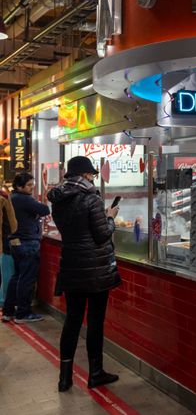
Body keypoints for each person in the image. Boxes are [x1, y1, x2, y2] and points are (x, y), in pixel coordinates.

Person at [48, 156, 121, 392]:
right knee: (95, 323)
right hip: (95, 270)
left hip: (71, 266)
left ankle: (64, 377)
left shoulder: (58, 199)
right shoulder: (91, 198)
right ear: (85, 174)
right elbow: (102, 235)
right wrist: (110, 218)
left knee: (72, 321)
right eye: (91, 174)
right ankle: (95, 373)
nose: (92, 177)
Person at [2, 172, 50, 323]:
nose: (32, 187)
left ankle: (8, 311)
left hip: (15, 242)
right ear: (19, 186)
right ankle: (23, 313)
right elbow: (45, 210)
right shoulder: (24, 199)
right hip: (27, 242)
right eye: (29, 185)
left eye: (32, 184)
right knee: (27, 279)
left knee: (16, 277)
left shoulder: (11, 198)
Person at [0, 187, 18, 310]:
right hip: (3, 244)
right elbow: (13, 225)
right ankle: (4, 302)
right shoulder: (4, 197)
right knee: (6, 274)